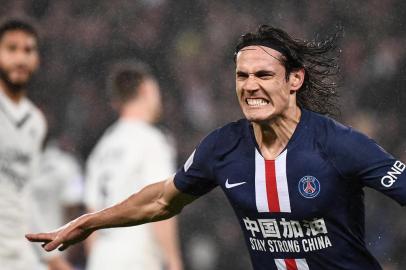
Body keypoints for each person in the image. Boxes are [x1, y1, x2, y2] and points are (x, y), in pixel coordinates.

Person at [26, 25, 406, 270]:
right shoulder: (224, 147)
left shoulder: (339, 144)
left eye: (263, 75)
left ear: (295, 80)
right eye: (242, 75)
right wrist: (87, 223)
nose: (250, 85)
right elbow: (161, 200)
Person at [83, 62, 183, 270]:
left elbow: (89, 216)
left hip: (101, 257)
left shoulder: (102, 146)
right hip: (137, 257)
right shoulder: (151, 140)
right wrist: (174, 261)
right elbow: (160, 202)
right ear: (147, 89)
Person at [0, 19, 71, 270]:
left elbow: (25, 194)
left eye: (28, 50)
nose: (20, 58)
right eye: (12, 49)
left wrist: (53, 260)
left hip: (20, 255)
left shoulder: (35, 122)